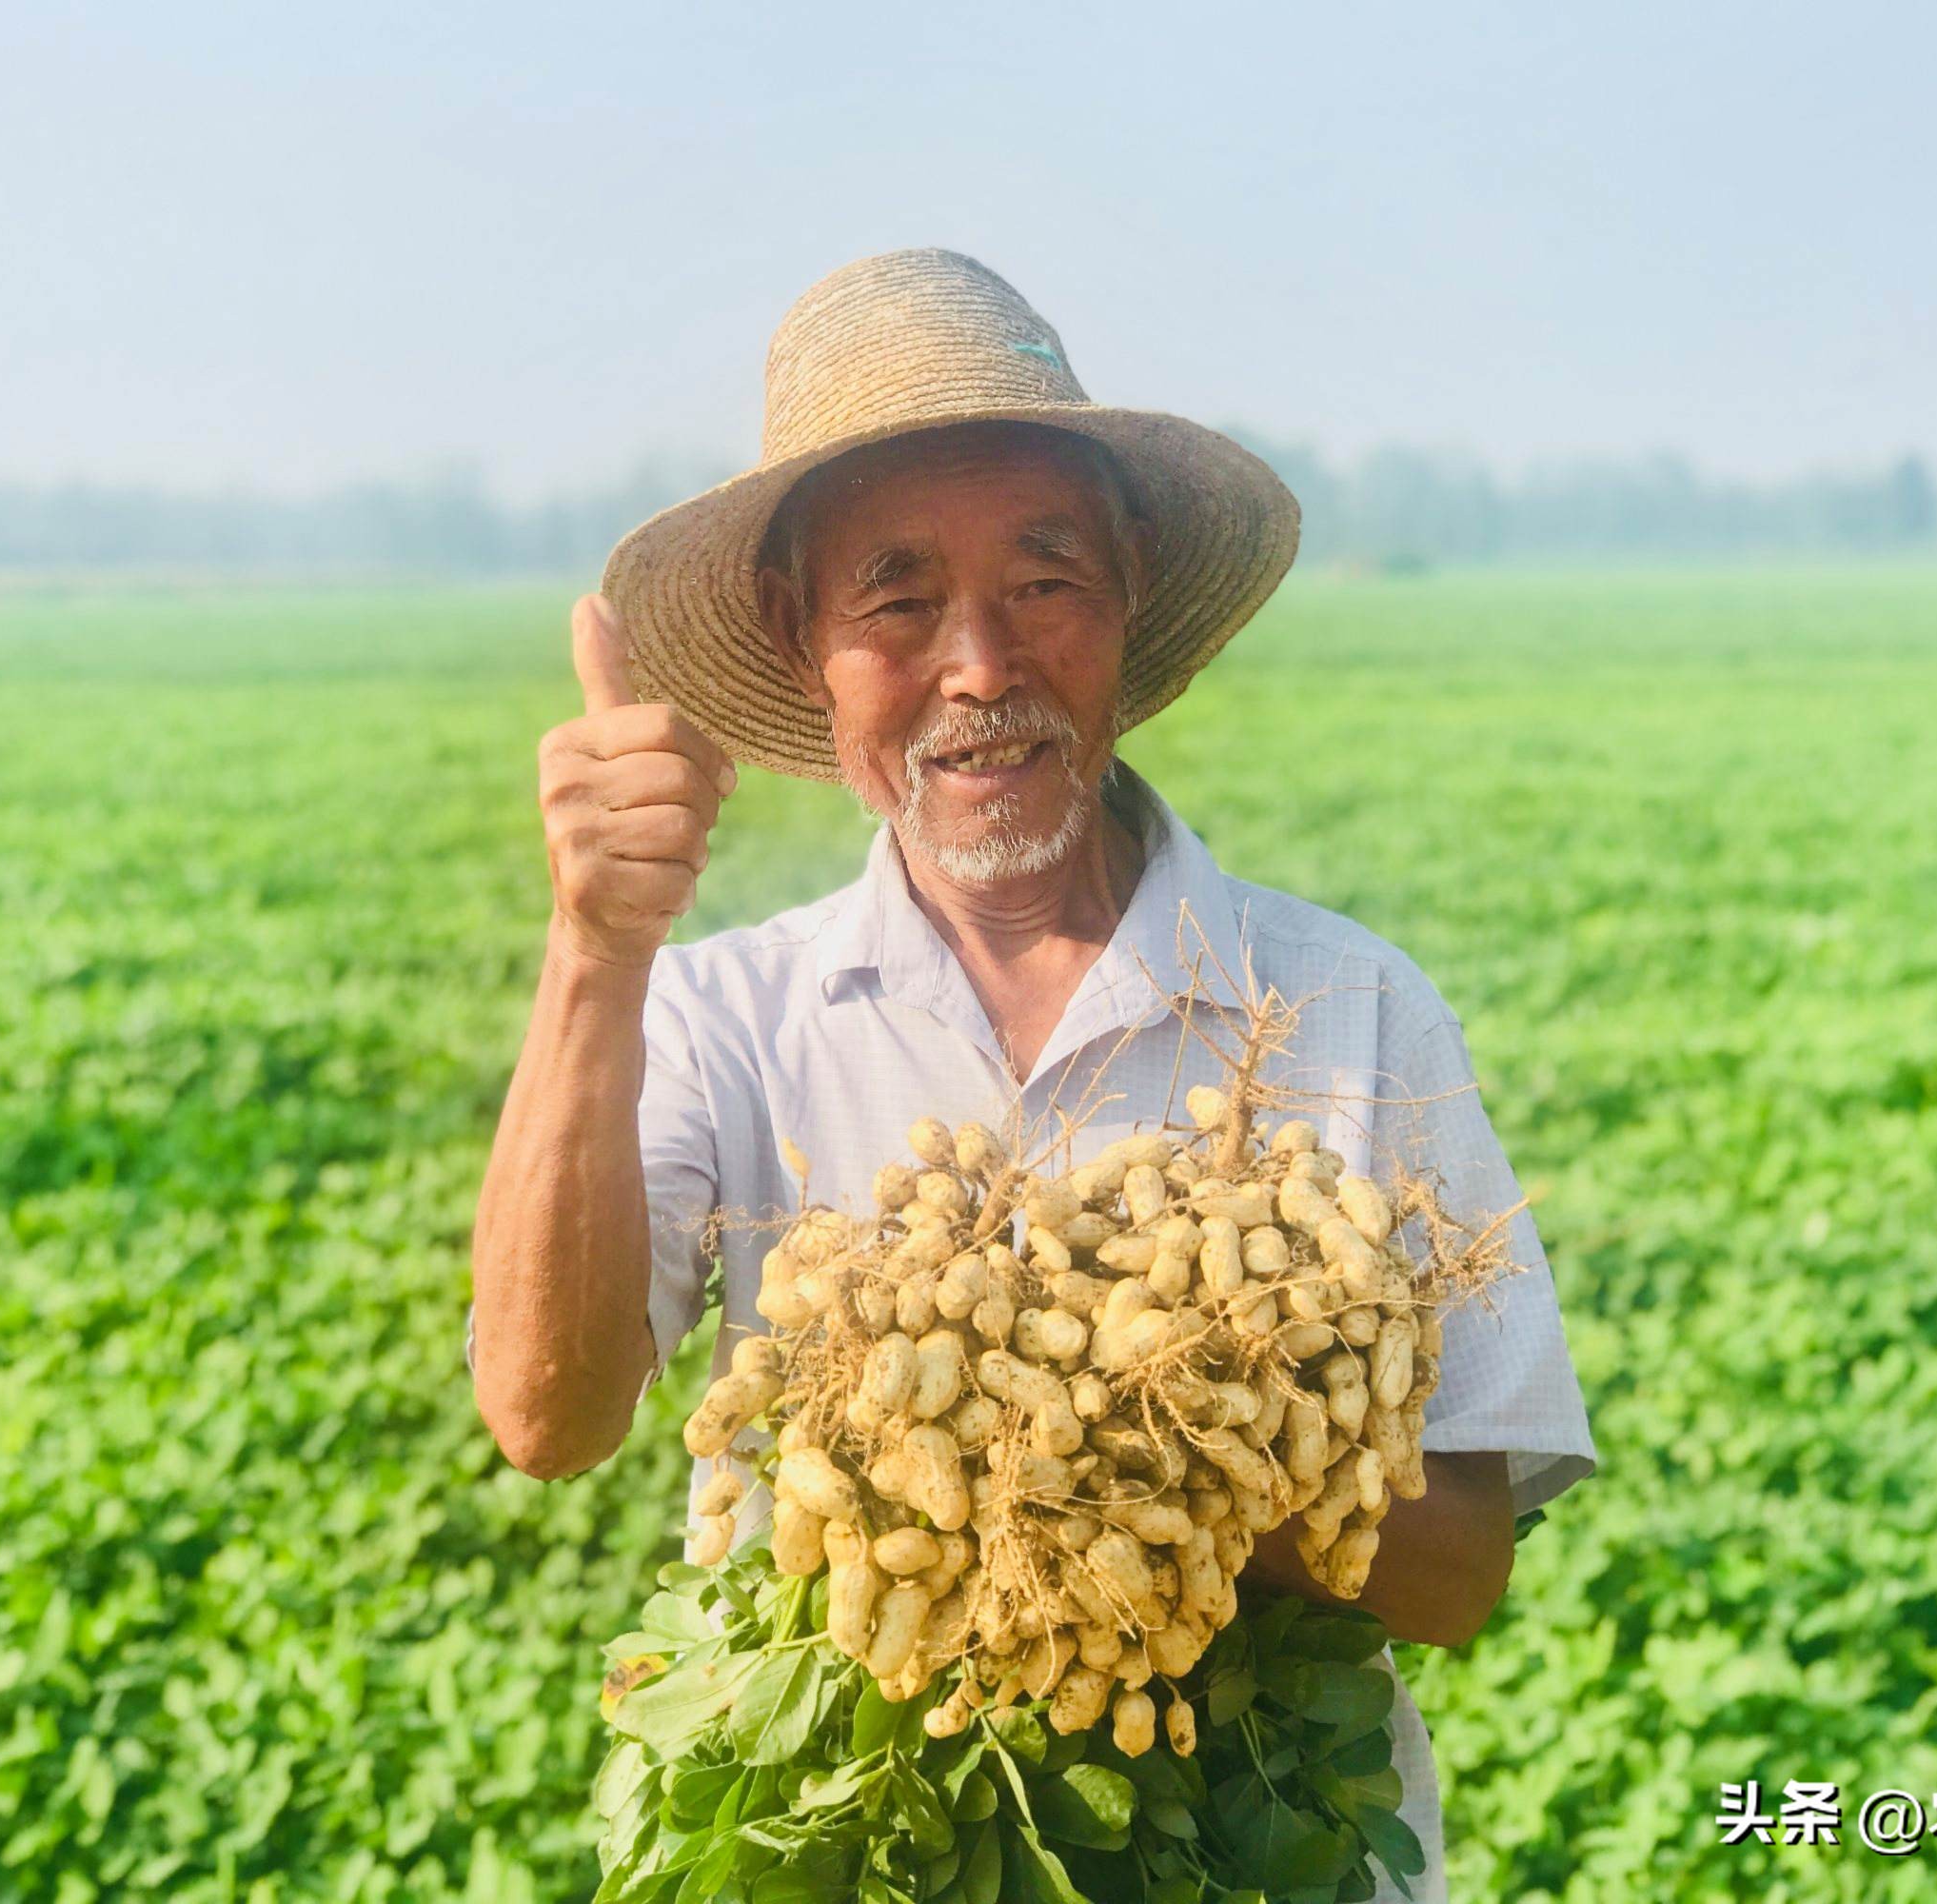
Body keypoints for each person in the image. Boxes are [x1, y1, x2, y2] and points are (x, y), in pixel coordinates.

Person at [467, 248, 1596, 1898]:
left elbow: (1456, 1572)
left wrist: (1139, 1442)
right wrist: (594, 953)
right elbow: (548, 1414)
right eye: (898, 600)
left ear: (1130, 597)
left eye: (1044, 582)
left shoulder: (1347, 1009)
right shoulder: (727, 1017)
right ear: (804, 644)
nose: (982, 668)